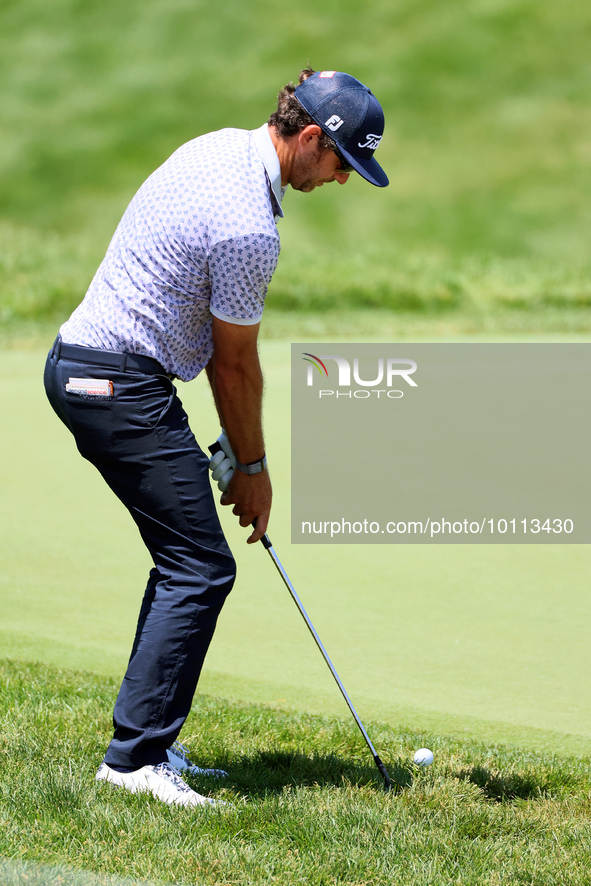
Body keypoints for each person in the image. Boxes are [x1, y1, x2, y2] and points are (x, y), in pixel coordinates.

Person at [43, 68, 388, 808]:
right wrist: (254, 468)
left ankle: (149, 743)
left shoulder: (219, 147)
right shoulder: (248, 229)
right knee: (201, 567)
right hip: (114, 384)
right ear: (307, 138)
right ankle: (133, 763)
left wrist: (231, 455)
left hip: (104, 371)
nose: (342, 180)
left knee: (182, 558)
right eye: (339, 162)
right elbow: (234, 366)